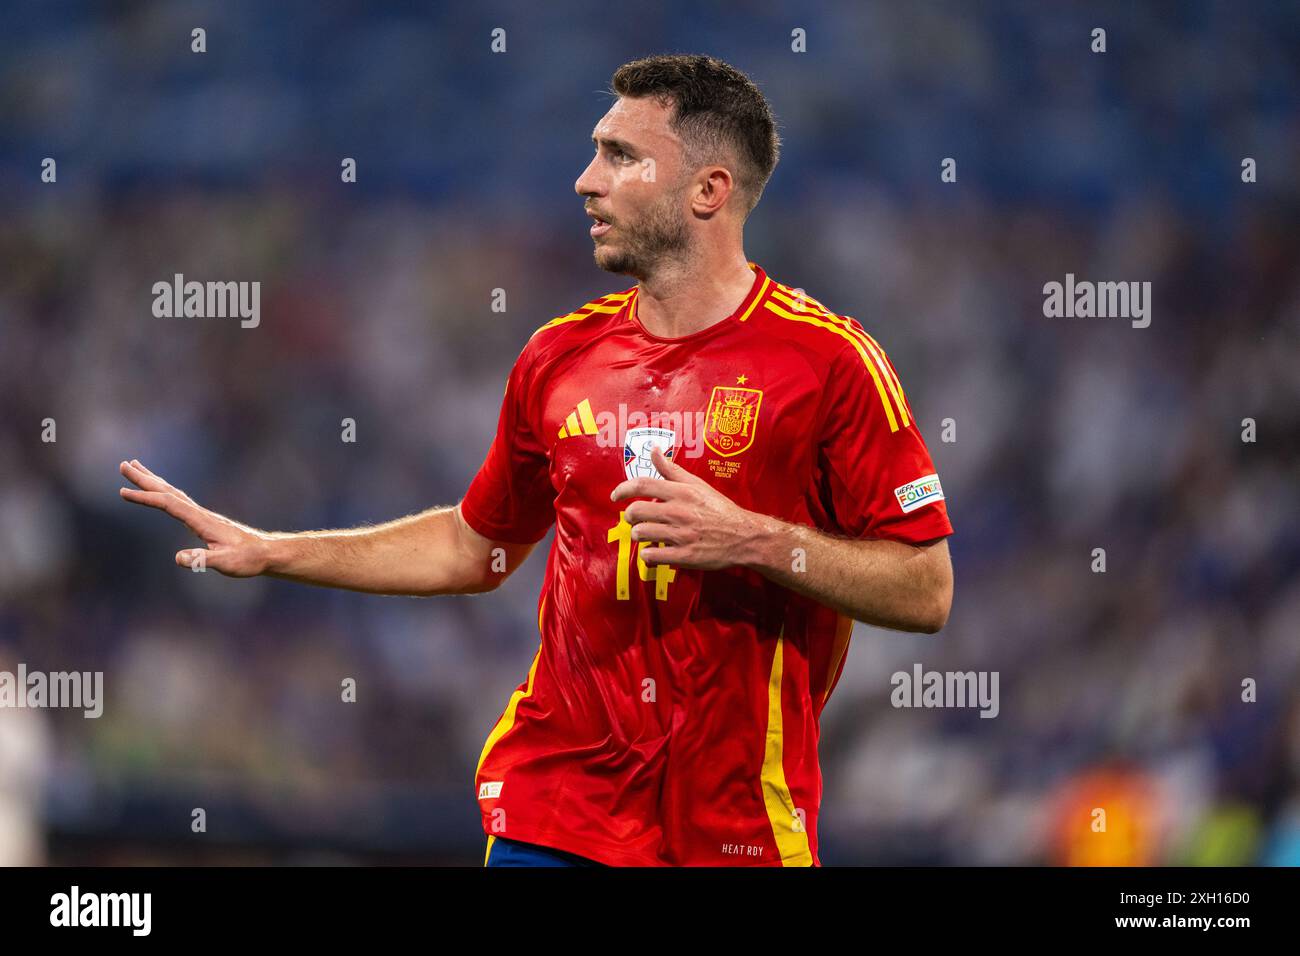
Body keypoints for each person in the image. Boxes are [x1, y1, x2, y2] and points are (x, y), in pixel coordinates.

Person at [120, 54, 953, 867]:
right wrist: (273, 549)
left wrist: (755, 541)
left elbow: (927, 588)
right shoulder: (558, 357)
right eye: (595, 152)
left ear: (709, 190)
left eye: (621, 156)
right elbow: (471, 548)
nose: (586, 181)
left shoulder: (829, 364)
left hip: (737, 827)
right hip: (556, 812)